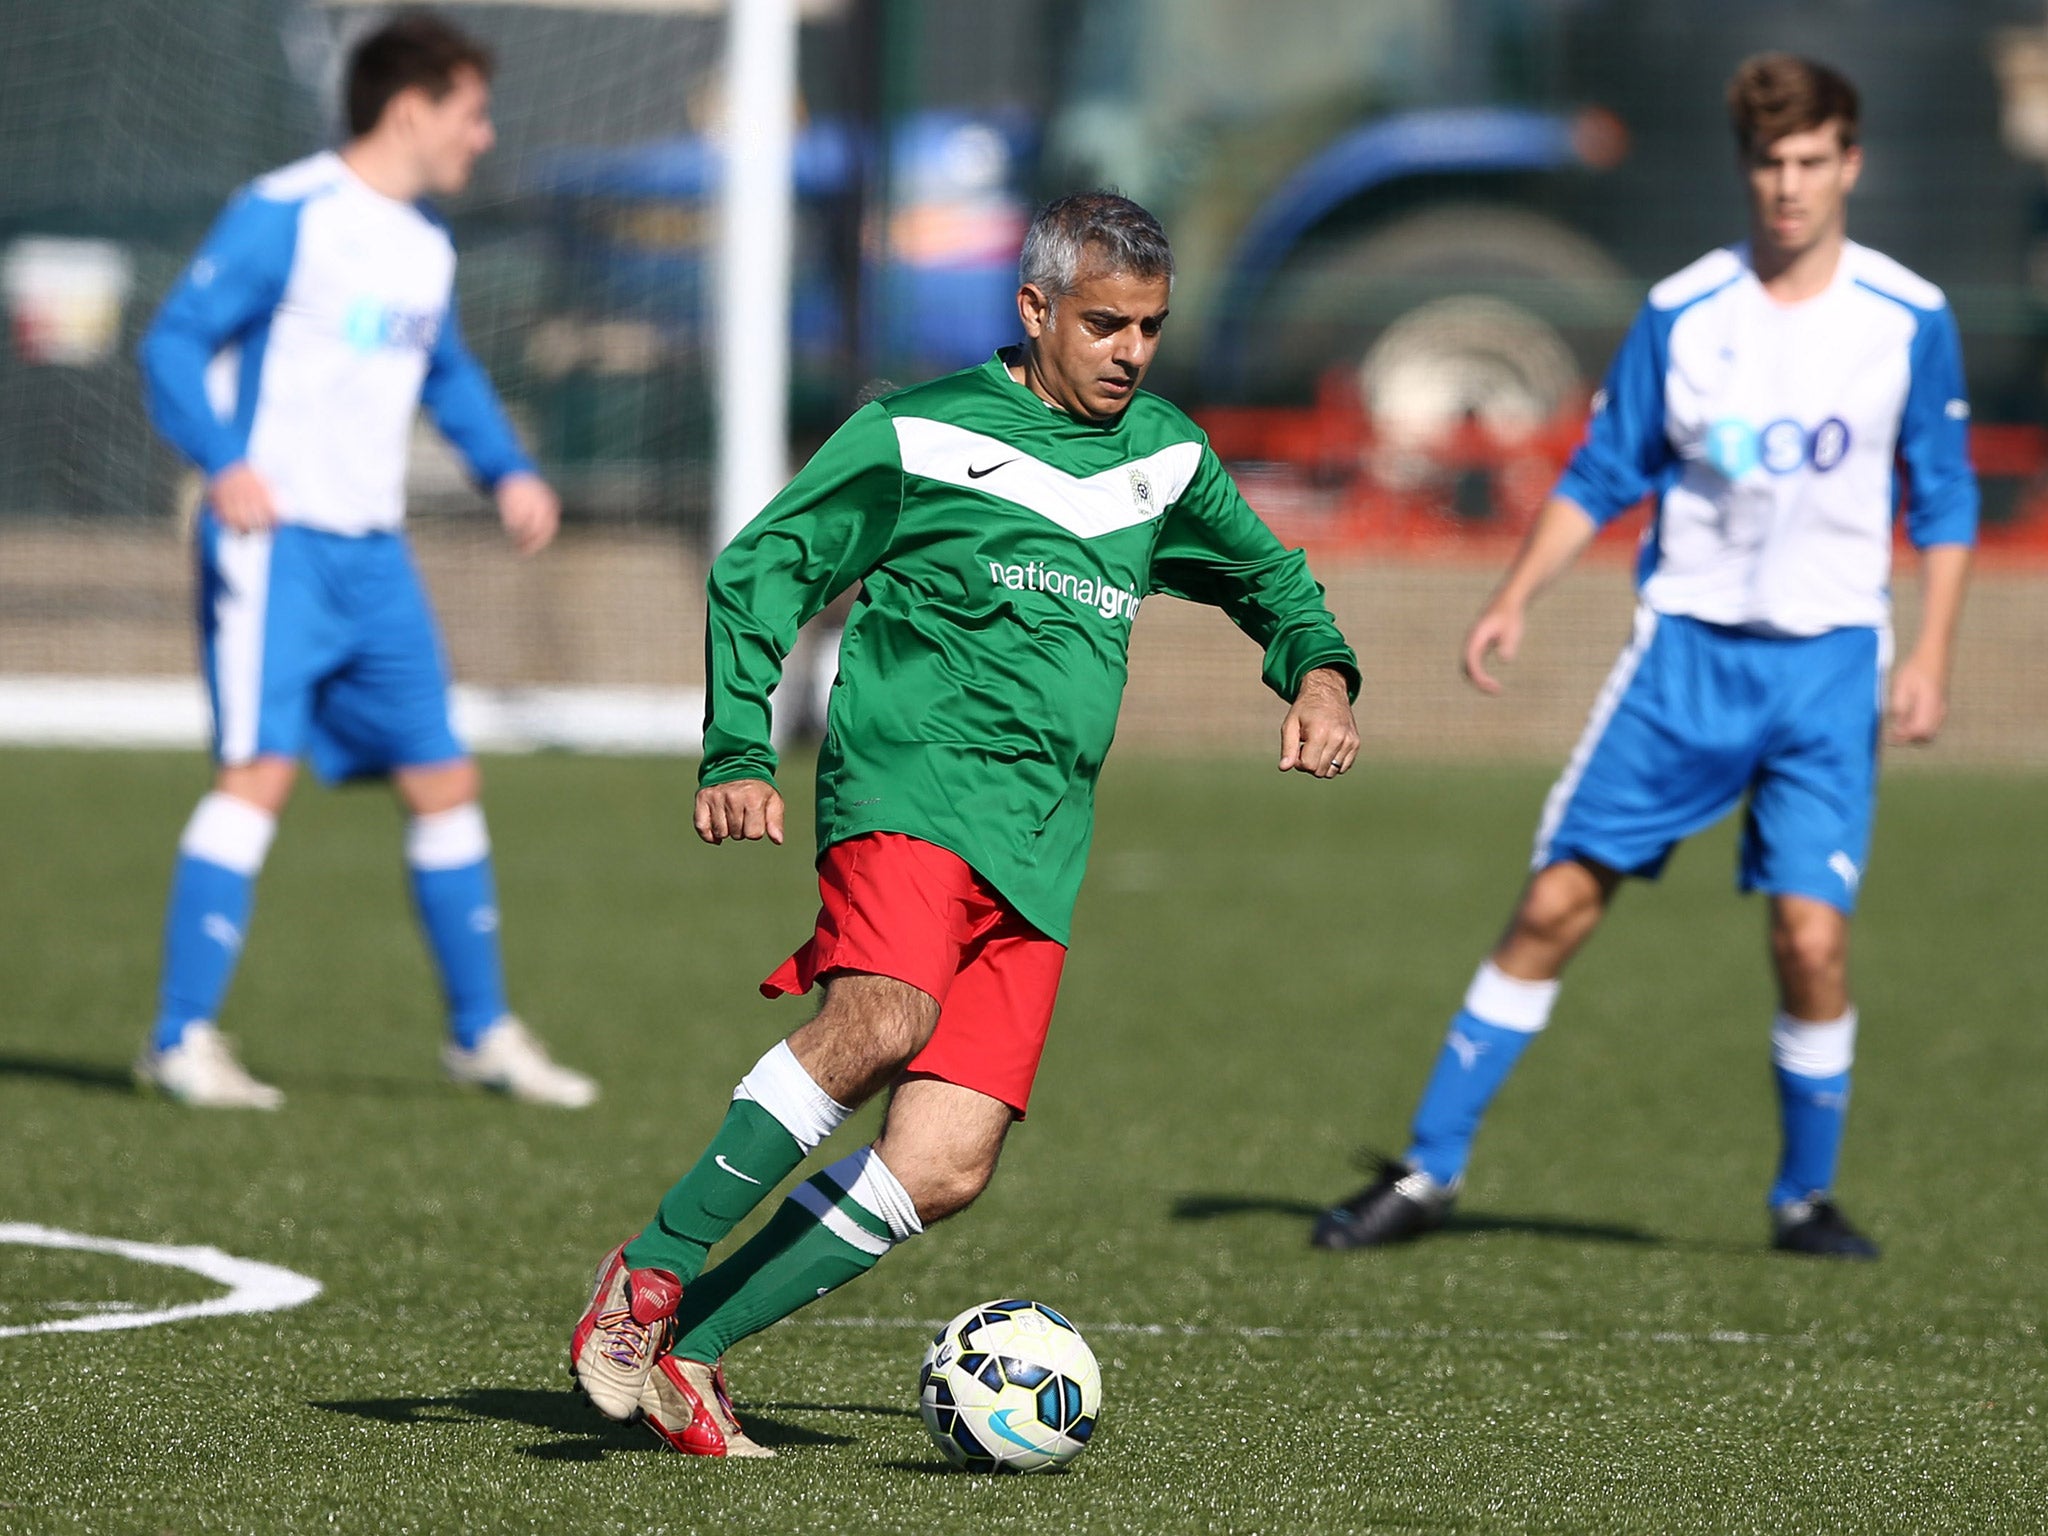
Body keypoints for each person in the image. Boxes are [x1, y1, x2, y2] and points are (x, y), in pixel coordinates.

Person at [570, 192, 1361, 1458]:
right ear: (1034, 309)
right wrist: (737, 744)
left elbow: (1272, 582)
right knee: (883, 1017)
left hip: (1041, 841)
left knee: (943, 1163)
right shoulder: (918, 433)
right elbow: (759, 566)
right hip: (906, 786)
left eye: (1150, 328)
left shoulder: (1162, 457)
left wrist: (1317, 673)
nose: (1129, 352)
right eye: (1103, 324)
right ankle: (648, 1273)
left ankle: (694, 1351)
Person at [1312, 54, 1976, 1259]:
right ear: (1744, 169)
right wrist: (1514, 594)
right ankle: (1425, 1170)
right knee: (1557, 903)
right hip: (1681, 664)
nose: (1787, 185)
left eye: (1809, 162)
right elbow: (1603, 469)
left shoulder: (1905, 318)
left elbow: (1941, 500)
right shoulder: (1685, 312)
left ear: (1849, 165)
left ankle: (1803, 1200)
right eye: (1767, 163)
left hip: (1827, 670)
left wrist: (1926, 651)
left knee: (1809, 937)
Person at [132, 12, 595, 1110]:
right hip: (273, 545)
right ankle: (178, 1038)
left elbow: (446, 377)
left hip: (374, 558)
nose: (482, 137)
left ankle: (481, 1034)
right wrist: (222, 461)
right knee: (258, 776)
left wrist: (508, 471)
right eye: (470, 114)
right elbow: (170, 345)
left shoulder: (425, 244)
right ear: (409, 109)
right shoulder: (285, 214)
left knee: (445, 779)